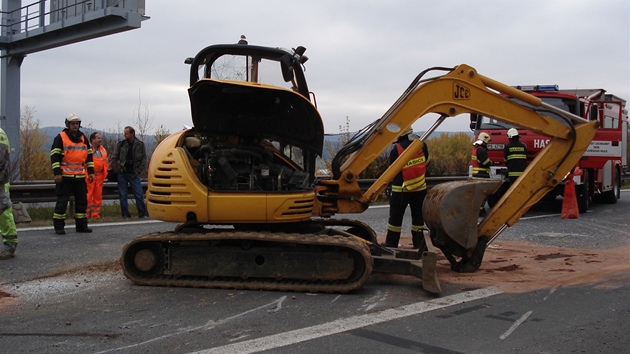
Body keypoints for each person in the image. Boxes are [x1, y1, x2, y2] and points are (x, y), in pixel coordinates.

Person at [382, 127, 429, 249]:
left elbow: (392, 169)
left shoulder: (397, 148)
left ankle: (391, 243)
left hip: (402, 189)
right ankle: (418, 243)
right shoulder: (421, 144)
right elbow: (426, 161)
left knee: (395, 219)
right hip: (420, 188)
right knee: (418, 219)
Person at [50, 113, 94, 235]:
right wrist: (57, 173)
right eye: (73, 123)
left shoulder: (83, 138)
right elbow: (54, 157)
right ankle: (59, 227)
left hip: (80, 176)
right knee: (62, 202)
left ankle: (81, 226)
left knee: (82, 202)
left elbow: (89, 157)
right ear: (68, 124)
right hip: (65, 177)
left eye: (77, 124)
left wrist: (91, 172)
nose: (75, 126)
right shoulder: (61, 137)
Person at [111, 126, 149, 218]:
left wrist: (139, 170)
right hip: (122, 173)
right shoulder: (121, 144)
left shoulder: (140, 144)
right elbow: (114, 158)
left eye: (126, 133)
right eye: (124, 133)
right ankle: (125, 214)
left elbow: (144, 159)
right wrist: (117, 170)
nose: (125, 135)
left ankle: (142, 213)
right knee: (123, 195)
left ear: (132, 134)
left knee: (139, 194)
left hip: (134, 173)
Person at [0, 127, 18, 259]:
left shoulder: (0, 135)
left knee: (4, 214)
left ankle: (10, 246)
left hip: (0, 182)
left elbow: (2, 162)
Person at [86, 132, 109, 219]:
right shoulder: (87, 149)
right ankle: (86, 215)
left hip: (99, 176)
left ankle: (95, 215)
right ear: (92, 139)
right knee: (88, 196)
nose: (100, 139)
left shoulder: (103, 150)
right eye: (98, 138)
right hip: (89, 176)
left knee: (97, 196)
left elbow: (105, 162)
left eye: (100, 138)